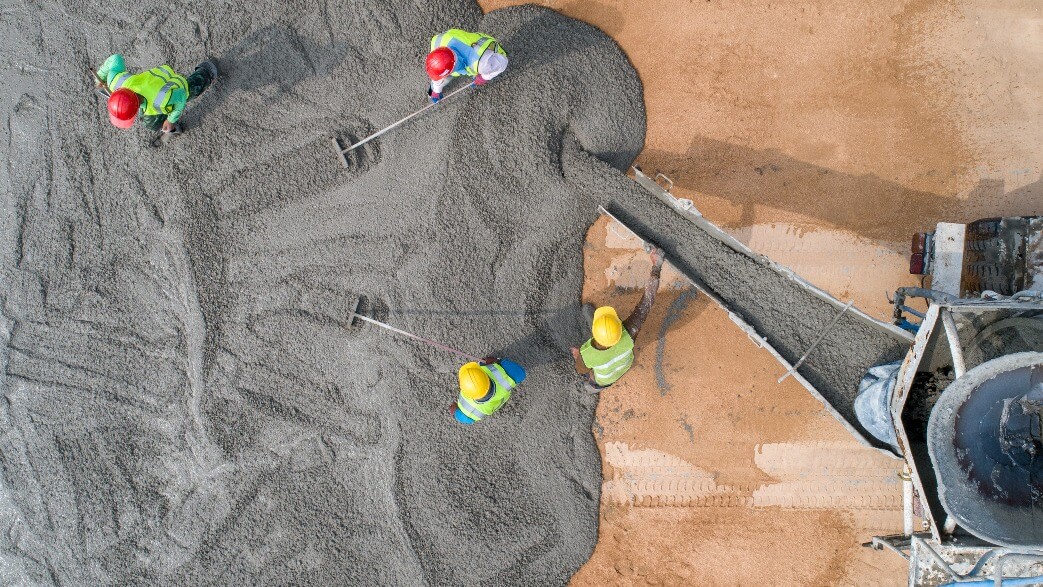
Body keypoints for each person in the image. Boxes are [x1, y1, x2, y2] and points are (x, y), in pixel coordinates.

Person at [572, 247, 665, 392]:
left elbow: (581, 370)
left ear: (594, 333)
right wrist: (656, 266)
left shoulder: (587, 356)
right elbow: (647, 303)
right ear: (619, 326)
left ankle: (593, 387)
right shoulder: (629, 333)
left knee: (590, 384)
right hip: (623, 366)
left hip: (603, 379)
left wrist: (579, 355)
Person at [95, 54, 217, 133]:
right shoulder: (115, 81)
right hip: (149, 87)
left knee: (191, 90)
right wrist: (100, 76)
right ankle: (162, 122)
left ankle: (206, 72)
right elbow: (116, 58)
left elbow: (181, 96)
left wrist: (171, 120)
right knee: (150, 123)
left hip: (172, 86)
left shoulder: (161, 99)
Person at [425, 29, 508, 103]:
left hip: (486, 50)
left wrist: (484, 77)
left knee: (481, 69)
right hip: (462, 45)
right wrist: (436, 91)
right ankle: (431, 92)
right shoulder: (436, 42)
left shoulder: (482, 64)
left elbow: (503, 62)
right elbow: (438, 70)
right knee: (440, 80)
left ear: (453, 68)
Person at [453, 356, 526, 424]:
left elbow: (464, 419)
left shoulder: (471, 413)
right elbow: (520, 372)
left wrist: (455, 411)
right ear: (485, 376)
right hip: (503, 383)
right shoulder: (505, 380)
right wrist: (497, 361)